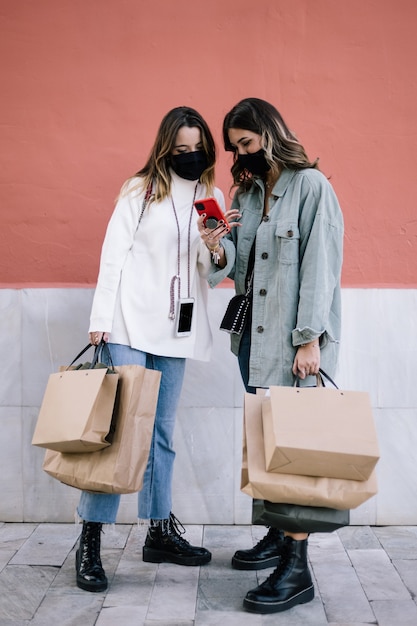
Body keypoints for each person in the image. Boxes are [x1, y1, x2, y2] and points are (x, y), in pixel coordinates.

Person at [75, 106, 233, 593]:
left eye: (197, 148)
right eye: (181, 149)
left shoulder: (211, 195)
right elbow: (112, 255)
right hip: (127, 323)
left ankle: (159, 530)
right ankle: (90, 540)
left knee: (162, 433)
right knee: (119, 434)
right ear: (166, 148)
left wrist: (216, 246)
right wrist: (101, 320)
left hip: (175, 330)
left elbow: (217, 271)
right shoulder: (139, 190)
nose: (190, 156)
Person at [199, 97, 344, 614]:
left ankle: (297, 568)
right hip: (251, 343)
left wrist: (310, 339)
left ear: (269, 132)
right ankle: (280, 537)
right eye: (235, 147)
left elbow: (320, 266)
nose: (242, 153)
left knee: (296, 452)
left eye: (247, 142)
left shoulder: (311, 187)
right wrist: (215, 244)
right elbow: (233, 268)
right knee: (267, 446)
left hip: (292, 345)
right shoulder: (247, 191)